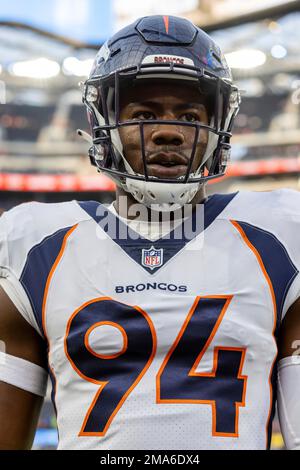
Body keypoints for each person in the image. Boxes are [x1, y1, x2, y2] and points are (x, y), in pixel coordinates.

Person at [0, 15, 299, 451]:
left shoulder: (280, 236)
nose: (167, 131)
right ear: (103, 123)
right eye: (143, 113)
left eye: (190, 114)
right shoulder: (34, 246)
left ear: (219, 129)